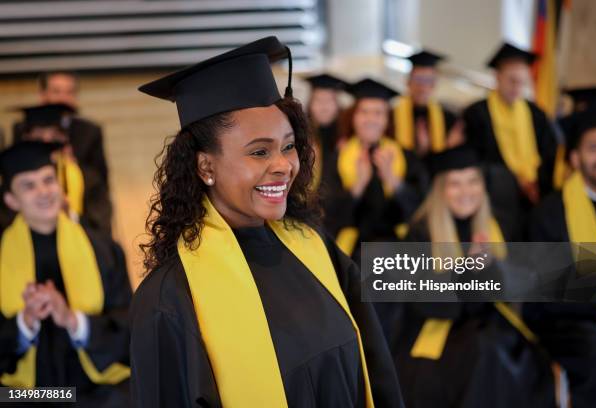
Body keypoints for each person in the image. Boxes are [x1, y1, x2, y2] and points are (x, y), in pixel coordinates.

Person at [129, 36, 404, 408]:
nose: (283, 165)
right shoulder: (169, 300)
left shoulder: (314, 247)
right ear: (205, 166)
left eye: (288, 146)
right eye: (259, 151)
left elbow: (376, 368)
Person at [376, 146, 556, 408]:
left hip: (484, 326)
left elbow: (501, 292)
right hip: (436, 330)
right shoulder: (420, 232)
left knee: (523, 356)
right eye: (455, 184)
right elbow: (424, 301)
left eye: (473, 182)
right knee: (483, 353)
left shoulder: (492, 227)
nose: (466, 192)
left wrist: (488, 270)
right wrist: (468, 270)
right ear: (440, 190)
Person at [0, 141, 131, 407]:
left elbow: (129, 328)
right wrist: (25, 323)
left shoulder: (104, 249)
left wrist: (72, 319)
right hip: (24, 396)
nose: (44, 191)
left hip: (95, 391)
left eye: (48, 180)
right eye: (29, 185)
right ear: (11, 200)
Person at [528, 104, 596, 408]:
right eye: (594, 148)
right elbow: (542, 293)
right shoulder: (550, 212)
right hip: (569, 322)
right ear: (575, 158)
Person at [323, 78, 427, 260]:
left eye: (378, 113)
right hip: (353, 251)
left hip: (398, 247)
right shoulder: (338, 158)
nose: (371, 119)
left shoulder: (405, 156)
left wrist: (393, 180)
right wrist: (358, 186)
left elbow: (421, 208)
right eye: (364, 112)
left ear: (387, 119)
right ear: (354, 117)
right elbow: (328, 213)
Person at [463, 43, 557, 235]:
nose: (517, 87)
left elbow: (549, 153)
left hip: (533, 198)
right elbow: (475, 161)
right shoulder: (476, 114)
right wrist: (514, 181)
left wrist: (536, 181)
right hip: (496, 202)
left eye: (522, 82)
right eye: (511, 80)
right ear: (497, 77)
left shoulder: (536, 114)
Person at [12, 71, 112, 235]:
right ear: (43, 95)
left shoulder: (89, 132)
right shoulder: (22, 130)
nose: (63, 98)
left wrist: (73, 168)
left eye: (69, 92)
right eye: (56, 91)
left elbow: (101, 180)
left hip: (81, 216)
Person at [394, 50, 462, 158]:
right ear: (408, 82)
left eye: (428, 80)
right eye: (418, 79)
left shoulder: (448, 118)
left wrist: (449, 147)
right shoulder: (391, 116)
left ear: (435, 84)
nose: (423, 87)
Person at [303, 73, 348, 191]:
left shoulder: (347, 136)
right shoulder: (301, 136)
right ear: (310, 104)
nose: (324, 107)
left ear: (337, 105)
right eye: (318, 100)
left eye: (329, 100)